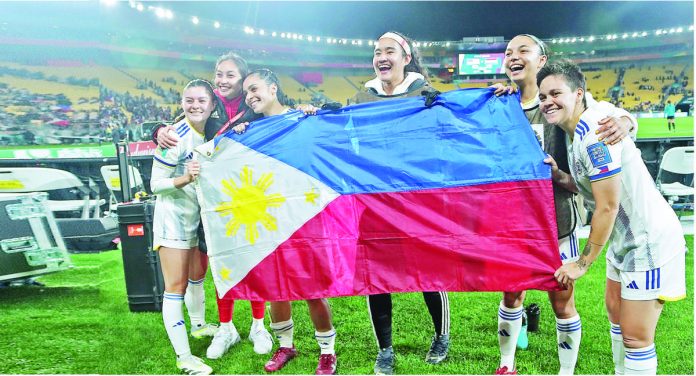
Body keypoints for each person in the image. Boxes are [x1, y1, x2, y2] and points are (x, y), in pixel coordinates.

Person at [492, 34, 638, 375]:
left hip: (558, 221)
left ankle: (565, 372)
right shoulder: (501, 104)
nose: (513, 56)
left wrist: (627, 122)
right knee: (511, 295)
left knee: (561, 299)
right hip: (513, 224)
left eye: (522, 50)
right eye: (508, 52)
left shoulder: (559, 100)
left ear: (542, 60)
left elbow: (615, 115)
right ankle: (506, 365)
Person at [539, 60, 686, 376]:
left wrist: (581, 263)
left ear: (578, 93)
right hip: (623, 241)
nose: (547, 101)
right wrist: (558, 175)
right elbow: (586, 188)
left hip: (648, 241)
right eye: (542, 96)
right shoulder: (572, 132)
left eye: (555, 93)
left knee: (636, 337)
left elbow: (607, 207)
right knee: (617, 320)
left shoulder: (594, 130)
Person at [153, 52, 272, 360]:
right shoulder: (210, 104)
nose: (223, 80)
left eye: (230, 75)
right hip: (216, 203)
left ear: (244, 79)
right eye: (219, 74)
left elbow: (282, 118)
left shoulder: (255, 105)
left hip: (249, 197)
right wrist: (156, 129)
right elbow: (180, 123)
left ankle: (259, 325)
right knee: (222, 264)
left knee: (253, 263)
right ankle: (226, 326)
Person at [350, 31, 450, 376]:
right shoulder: (360, 98)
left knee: (429, 271)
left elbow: (452, 133)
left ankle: (441, 335)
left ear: (406, 57)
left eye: (389, 51)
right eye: (377, 52)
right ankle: (385, 349)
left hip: (417, 200)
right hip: (374, 200)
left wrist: (497, 95)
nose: (381, 57)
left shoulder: (427, 94)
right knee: (375, 274)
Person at [236, 68, 336, 375]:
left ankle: (327, 352)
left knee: (312, 289)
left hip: (304, 215)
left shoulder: (303, 119)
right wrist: (235, 136)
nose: (250, 96)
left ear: (273, 88)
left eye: (254, 89)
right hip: (269, 218)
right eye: (246, 93)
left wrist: (315, 115)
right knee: (275, 287)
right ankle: (285, 346)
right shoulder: (247, 131)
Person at [150, 79, 216, 375]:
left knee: (197, 278)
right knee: (175, 288)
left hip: (195, 220)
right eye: (189, 100)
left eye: (201, 100)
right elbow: (154, 185)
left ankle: (199, 326)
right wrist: (185, 179)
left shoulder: (211, 131)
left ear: (212, 104)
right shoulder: (175, 136)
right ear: (182, 103)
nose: (195, 105)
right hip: (172, 221)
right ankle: (184, 358)